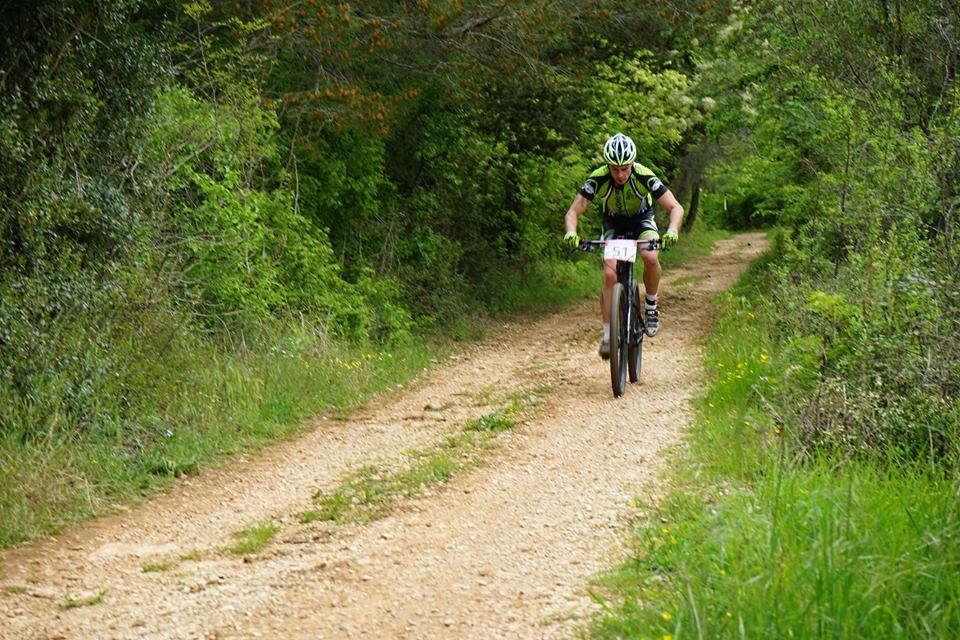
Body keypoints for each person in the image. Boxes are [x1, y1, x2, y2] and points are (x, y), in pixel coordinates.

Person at [563, 132, 684, 358]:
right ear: (608, 166)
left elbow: (675, 208)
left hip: (642, 220)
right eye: (615, 169)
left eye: (625, 168)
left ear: (632, 164)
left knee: (650, 257)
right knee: (609, 276)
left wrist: (672, 231)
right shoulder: (598, 178)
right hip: (614, 224)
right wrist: (571, 232)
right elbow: (573, 211)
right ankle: (608, 336)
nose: (620, 174)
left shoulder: (643, 175)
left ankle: (650, 305)